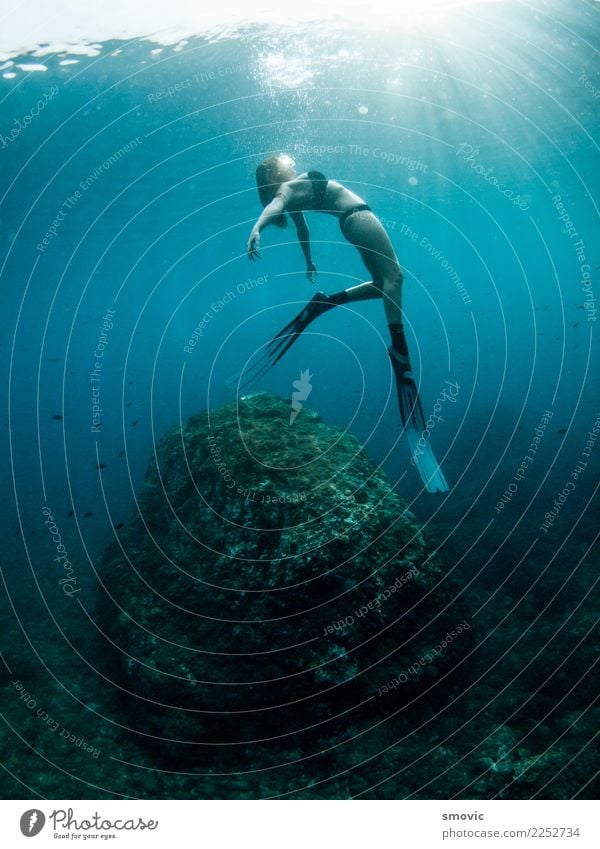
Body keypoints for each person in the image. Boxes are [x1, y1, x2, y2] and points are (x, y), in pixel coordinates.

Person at [245, 153, 448, 493]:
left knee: (384, 283)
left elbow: (303, 228)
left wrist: (309, 261)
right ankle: (399, 351)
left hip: (351, 221)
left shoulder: (293, 193)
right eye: (283, 160)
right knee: (394, 278)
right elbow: (275, 207)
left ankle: (325, 302)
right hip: (358, 216)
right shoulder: (289, 189)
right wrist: (256, 228)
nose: (289, 160)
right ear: (274, 172)